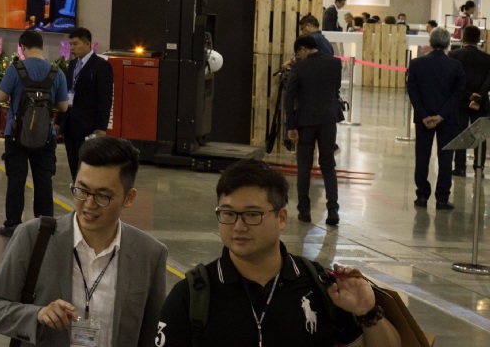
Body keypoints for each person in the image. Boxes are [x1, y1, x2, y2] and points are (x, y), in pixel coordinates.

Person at [156, 159, 401, 347]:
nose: (238, 226)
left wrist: (367, 312)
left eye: (252, 214)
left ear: (281, 218)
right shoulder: (192, 295)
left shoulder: (320, 287)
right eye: (228, 213)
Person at [0, 137, 166, 347]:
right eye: (82, 190)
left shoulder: (150, 254)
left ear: (129, 198)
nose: (89, 204)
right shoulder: (34, 237)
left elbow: (153, 334)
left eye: (102, 196)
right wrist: (37, 315)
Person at [0, 30, 69, 237]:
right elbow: (63, 106)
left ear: (23, 47)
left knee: (16, 180)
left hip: (15, 134)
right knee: (43, 180)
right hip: (45, 136)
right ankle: (45, 224)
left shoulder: (15, 69)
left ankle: (12, 224)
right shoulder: (56, 72)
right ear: (42, 46)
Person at [283, 34, 344, 225]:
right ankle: (333, 211)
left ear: (303, 49)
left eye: (298, 53)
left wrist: (290, 125)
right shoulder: (335, 63)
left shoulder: (299, 67)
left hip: (306, 121)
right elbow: (335, 89)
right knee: (328, 165)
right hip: (328, 120)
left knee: (304, 167)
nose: (298, 56)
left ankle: (304, 211)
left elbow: (289, 97)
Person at [406, 27, 465, 210]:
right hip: (447, 118)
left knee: (422, 156)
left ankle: (422, 195)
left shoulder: (416, 63)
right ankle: (442, 198)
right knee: (445, 158)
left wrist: (423, 114)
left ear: (430, 43)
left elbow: (413, 91)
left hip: (423, 119)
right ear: (448, 43)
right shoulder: (455, 66)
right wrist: (441, 116)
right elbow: (457, 94)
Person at [60, 27, 113, 178]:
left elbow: (105, 98)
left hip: (88, 125)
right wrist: (59, 120)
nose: (72, 48)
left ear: (87, 44)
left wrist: (101, 127)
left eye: (75, 44)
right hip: (70, 124)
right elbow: (66, 93)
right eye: (71, 44)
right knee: (73, 165)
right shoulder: (72, 65)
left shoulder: (101, 66)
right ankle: (76, 188)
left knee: (87, 166)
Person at [451, 25, 490, 176]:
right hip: (481, 103)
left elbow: (455, 80)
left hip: (460, 101)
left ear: (463, 37)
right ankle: (479, 168)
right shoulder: (487, 58)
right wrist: (478, 97)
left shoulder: (454, 55)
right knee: (480, 135)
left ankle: (460, 167)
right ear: (478, 39)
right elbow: (488, 81)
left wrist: (469, 95)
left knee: (460, 133)